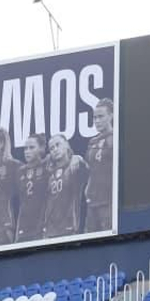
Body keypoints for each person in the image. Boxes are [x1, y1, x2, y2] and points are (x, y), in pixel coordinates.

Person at [43, 134, 90, 238]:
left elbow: (89, 170)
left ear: (67, 145)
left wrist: (76, 158)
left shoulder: (75, 165)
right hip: (49, 230)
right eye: (51, 148)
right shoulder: (49, 173)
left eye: (58, 145)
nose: (55, 149)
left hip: (69, 228)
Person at [84, 98, 115, 232]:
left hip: (107, 201)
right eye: (94, 117)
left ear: (111, 115)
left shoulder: (116, 137)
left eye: (101, 116)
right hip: (92, 201)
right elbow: (91, 168)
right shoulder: (92, 142)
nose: (97, 121)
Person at [15, 135, 51, 242]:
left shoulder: (47, 165)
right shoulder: (20, 171)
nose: (27, 151)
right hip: (24, 223)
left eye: (31, 148)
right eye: (25, 148)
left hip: (42, 220)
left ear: (41, 148)